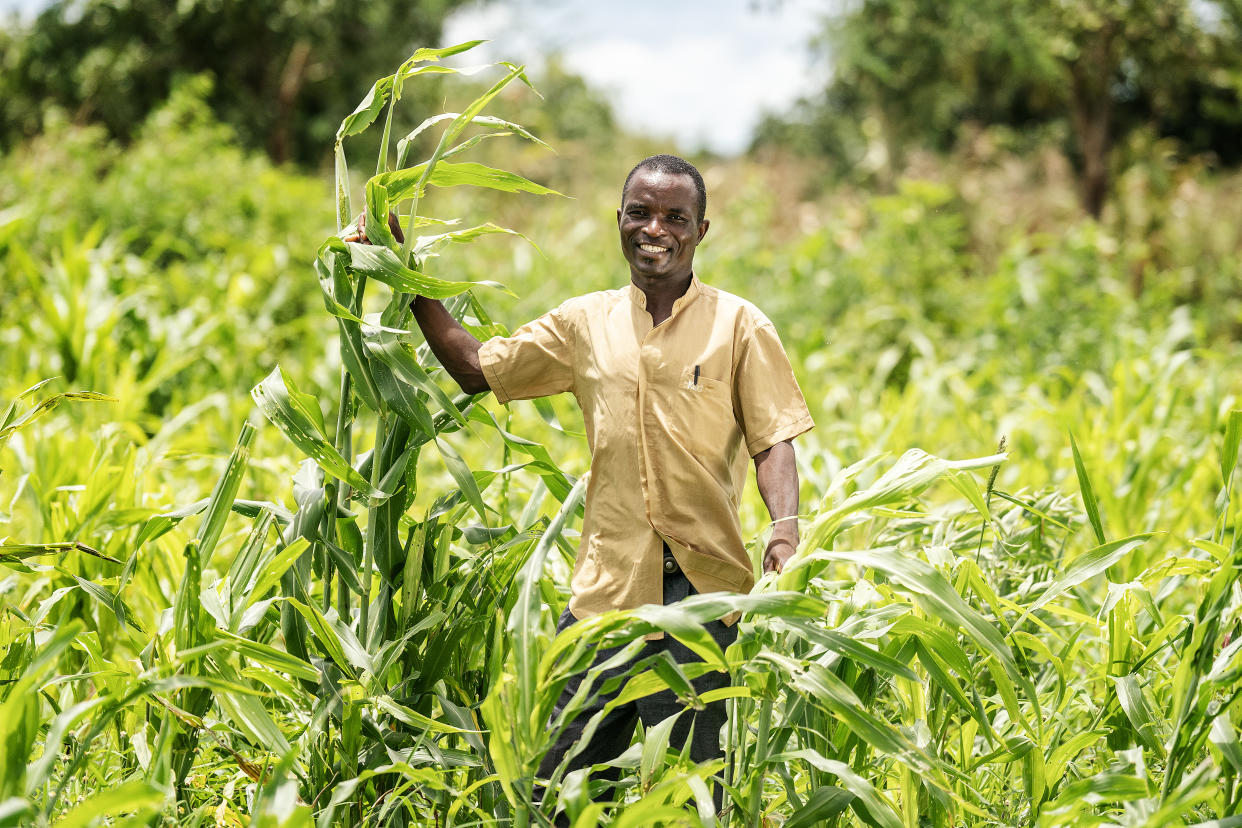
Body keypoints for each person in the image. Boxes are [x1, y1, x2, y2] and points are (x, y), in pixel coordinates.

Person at [351, 154, 813, 820]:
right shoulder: (582, 325)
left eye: (674, 217)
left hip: (704, 600)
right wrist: (405, 269)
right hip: (606, 596)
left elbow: (773, 438)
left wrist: (785, 529)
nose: (655, 228)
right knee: (556, 793)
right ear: (619, 222)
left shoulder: (740, 326)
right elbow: (477, 368)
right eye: (640, 213)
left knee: (691, 801)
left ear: (701, 231)